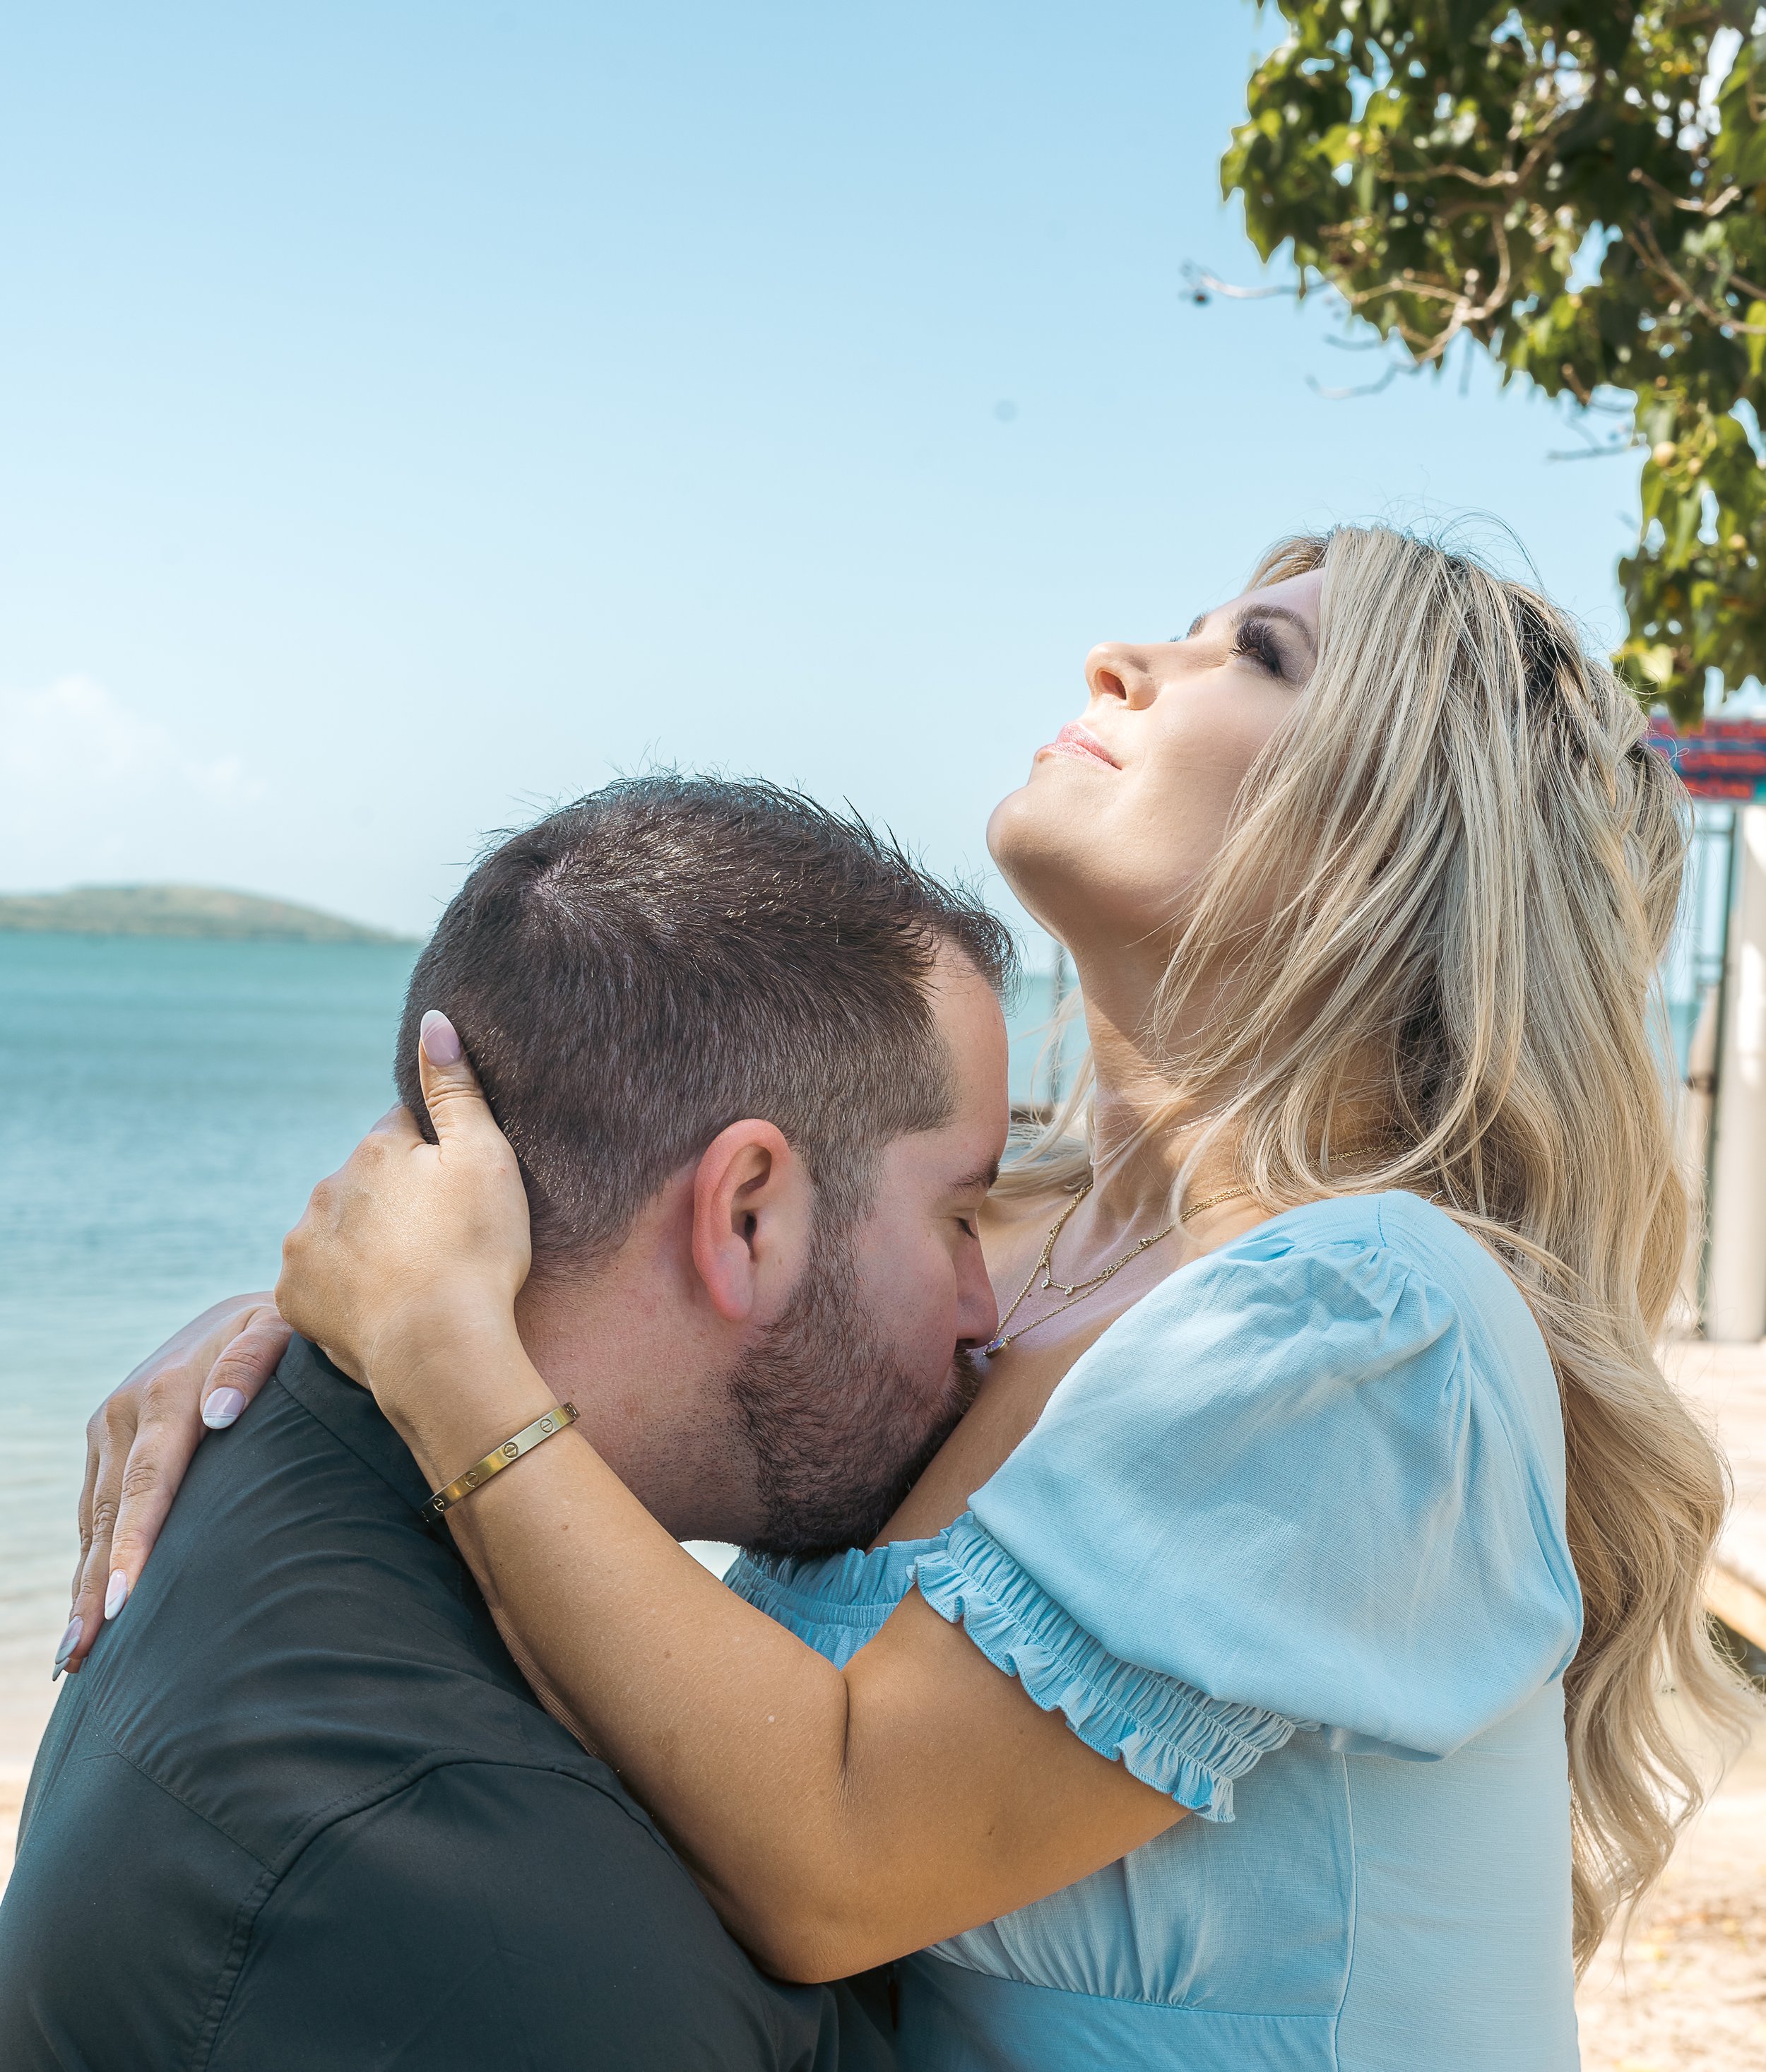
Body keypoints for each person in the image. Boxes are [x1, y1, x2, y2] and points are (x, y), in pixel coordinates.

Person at [64, 526, 1754, 2071]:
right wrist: (305, 1328)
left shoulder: (1363, 1320)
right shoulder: (998, 1245)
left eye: (1257, 653)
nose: (1120, 661)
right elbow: (610, 1258)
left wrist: (437, 1356)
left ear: (1406, 843)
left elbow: (837, 1858)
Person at [0, 776, 1019, 2072]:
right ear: (747, 1216)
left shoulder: (290, 1446)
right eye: (960, 1216)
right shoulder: (492, 1918)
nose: (990, 1307)